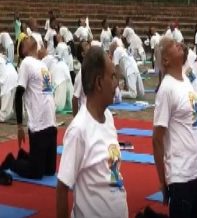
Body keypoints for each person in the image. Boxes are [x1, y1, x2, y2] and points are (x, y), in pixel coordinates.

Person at [57, 46, 128, 218]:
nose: (116, 82)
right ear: (98, 82)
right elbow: (62, 188)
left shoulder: (109, 117)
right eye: (111, 76)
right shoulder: (79, 129)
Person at [153, 37, 197, 218]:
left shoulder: (185, 80)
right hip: (181, 175)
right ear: (166, 60)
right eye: (173, 46)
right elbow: (157, 139)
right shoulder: (166, 89)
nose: (178, 44)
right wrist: (163, 181)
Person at [1, 36, 57, 179]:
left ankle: (24, 156)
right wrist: (20, 126)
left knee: (49, 171)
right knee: (36, 173)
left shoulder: (42, 64)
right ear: (24, 50)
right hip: (38, 127)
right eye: (24, 41)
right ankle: (11, 162)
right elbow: (19, 94)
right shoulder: (26, 63)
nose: (27, 38)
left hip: (51, 124)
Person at [72, 41, 91, 116]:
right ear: (83, 54)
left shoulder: (92, 70)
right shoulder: (81, 74)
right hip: (84, 114)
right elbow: (74, 99)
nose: (89, 45)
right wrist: (75, 119)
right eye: (86, 45)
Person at [0, 54, 18, 122]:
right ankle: (11, 113)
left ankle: (4, 115)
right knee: (10, 99)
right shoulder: (2, 56)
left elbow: (3, 77)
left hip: (7, 77)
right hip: (13, 75)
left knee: (6, 98)